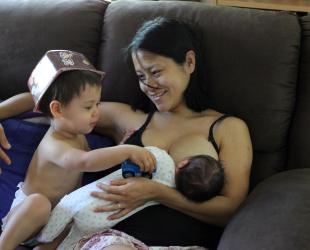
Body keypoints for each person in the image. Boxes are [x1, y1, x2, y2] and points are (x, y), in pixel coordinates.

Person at [0, 16, 252, 249]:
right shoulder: (128, 116)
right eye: (141, 77)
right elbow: (48, 102)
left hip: (184, 241)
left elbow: (230, 209)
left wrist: (158, 193)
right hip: (113, 240)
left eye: (156, 72)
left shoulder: (227, 128)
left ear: (189, 62)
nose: (149, 85)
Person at [0, 50, 156, 250]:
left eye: (97, 104)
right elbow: (86, 161)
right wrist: (126, 150)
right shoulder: (54, 145)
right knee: (38, 203)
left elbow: (96, 161)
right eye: (88, 107)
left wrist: (117, 148)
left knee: (76, 222)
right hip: (26, 218)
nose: (96, 112)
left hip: (54, 224)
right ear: (57, 109)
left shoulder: (77, 133)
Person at [36, 134, 224, 249]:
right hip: (99, 225)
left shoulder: (162, 160)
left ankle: (40, 239)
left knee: (57, 229)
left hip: (90, 213)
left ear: (183, 162)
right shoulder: (175, 190)